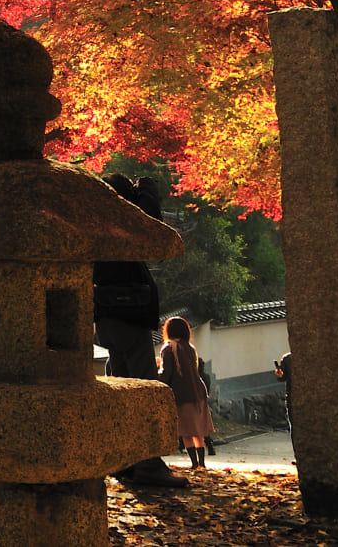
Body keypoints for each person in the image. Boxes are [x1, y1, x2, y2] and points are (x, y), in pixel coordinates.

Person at [95, 174, 186, 486]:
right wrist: (146, 187)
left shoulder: (92, 219)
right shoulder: (119, 222)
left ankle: (126, 460)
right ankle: (148, 464)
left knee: (121, 390)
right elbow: (152, 226)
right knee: (144, 389)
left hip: (105, 317)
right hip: (128, 316)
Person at [160, 315, 214, 469]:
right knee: (198, 430)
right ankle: (202, 463)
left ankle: (194, 463)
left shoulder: (169, 347)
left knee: (186, 430)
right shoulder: (190, 348)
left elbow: (167, 372)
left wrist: (158, 379)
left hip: (181, 393)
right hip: (198, 391)